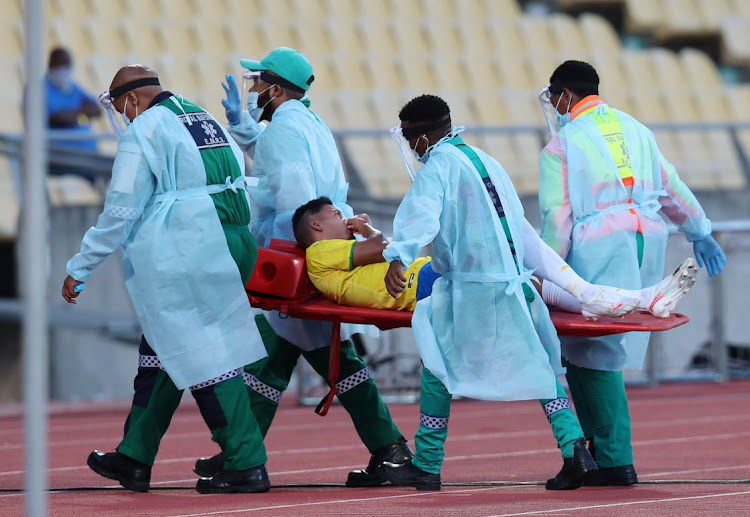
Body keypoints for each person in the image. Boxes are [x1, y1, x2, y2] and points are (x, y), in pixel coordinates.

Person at [193, 47, 413, 487]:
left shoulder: (287, 131)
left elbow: (294, 196)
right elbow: (278, 161)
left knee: (278, 358)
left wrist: (288, 262)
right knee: (314, 360)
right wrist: (242, 125)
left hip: (298, 256)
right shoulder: (305, 123)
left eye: (257, 83)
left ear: (275, 88)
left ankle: (244, 457)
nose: (252, 89)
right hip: (315, 251)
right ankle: (386, 450)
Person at [61, 65, 271, 494]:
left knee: (206, 356)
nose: (127, 118)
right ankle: (135, 456)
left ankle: (246, 462)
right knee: (160, 348)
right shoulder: (201, 115)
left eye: (124, 109)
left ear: (132, 100)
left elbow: (121, 208)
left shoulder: (146, 129)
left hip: (194, 244)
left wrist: (81, 265)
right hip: (231, 238)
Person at [537, 60, 727, 486]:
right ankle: (597, 451)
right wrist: (700, 232)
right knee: (600, 349)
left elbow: (557, 216)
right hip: (648, 240)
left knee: (590, 350)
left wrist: (548, 271)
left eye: (553, 96)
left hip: (598, 243)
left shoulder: (562, 145)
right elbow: (671, 185)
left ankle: (612, 460)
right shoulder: (637, 129)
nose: (552, 103)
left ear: (564, 94)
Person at [292, 196, 696, 320]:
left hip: (424, 279)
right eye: (335, 216)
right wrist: (369, 231)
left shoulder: (333, 252)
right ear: (315, 226)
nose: (343, 219)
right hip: (425, 283)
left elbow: (390, 250)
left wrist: (374, 235)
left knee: (527, 277)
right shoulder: (319, 254)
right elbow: (389, 248)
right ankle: (627, 298)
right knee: (513, 245)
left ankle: (637, 298)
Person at [44, 47, 101, 182]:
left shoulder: (72, 86)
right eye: (59, 65)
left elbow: (96, 110)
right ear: (51, 65)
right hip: (59, 157)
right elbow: (57, 118)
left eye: (66, 65)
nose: (63, 69)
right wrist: (81, 113)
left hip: (87, 154)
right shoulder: (39, 88)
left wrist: (73, 115)